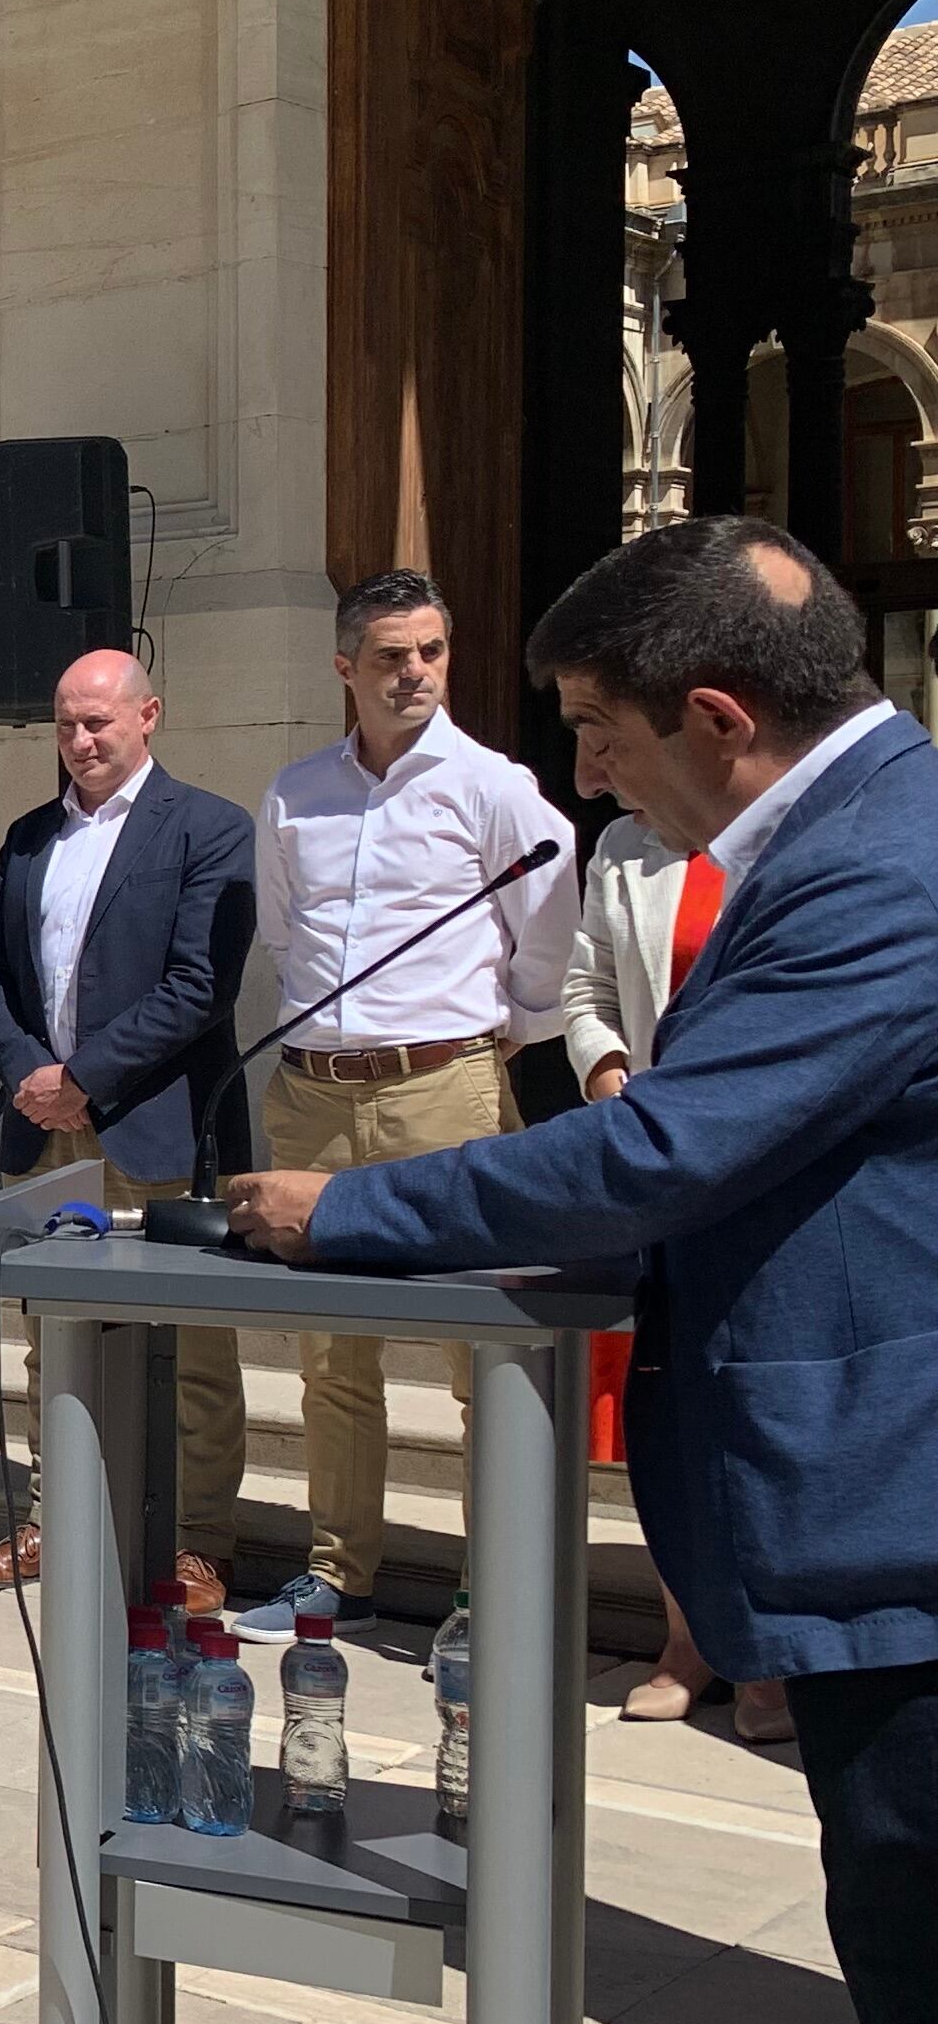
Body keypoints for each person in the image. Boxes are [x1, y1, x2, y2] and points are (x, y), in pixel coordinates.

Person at [221, 519, 938, 2024]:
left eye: (605, 738)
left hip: (909, 1499)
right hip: (880, 1493)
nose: (589, 777)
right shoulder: (861, 817)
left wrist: (338, 1214)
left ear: (716, 717)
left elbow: (662, 1150)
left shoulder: (878, 866)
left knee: (934, 1981)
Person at [243, 566, 577, 1635]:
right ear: (346, 668)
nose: (416, 673)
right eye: (392, 656)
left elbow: (548, 942)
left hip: (445, 1093)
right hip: (314, 1097)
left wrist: (482, 1041)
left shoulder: (493, 786)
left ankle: (494, 1588)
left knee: (480, 1353)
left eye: (431, 651)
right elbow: (285, 936)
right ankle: (340, 1568)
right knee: (333, 1356)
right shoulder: (297, 790)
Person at [0, 650, 255, 1605]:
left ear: (148, 716)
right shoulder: (30, 835)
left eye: (99, 723)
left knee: (192, 1347)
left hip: (159, 1127)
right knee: (56, 1338)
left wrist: (84, 1076)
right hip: (48, 1133)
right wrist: (32, 1078)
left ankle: (199, 1541)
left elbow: (201, 985)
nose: (81, 741)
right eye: (67, 723)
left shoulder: (209, 828)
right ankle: (55, 1517)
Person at [554, 751, 788, 1742]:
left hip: (775, 1160)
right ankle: (685, 1642)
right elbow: (583, 988)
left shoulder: (788, 842)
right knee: (675, 1408)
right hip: (661, 1162)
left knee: (757, 1412)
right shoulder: (624, 847)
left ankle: (769, 1659)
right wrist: (610, 1079)